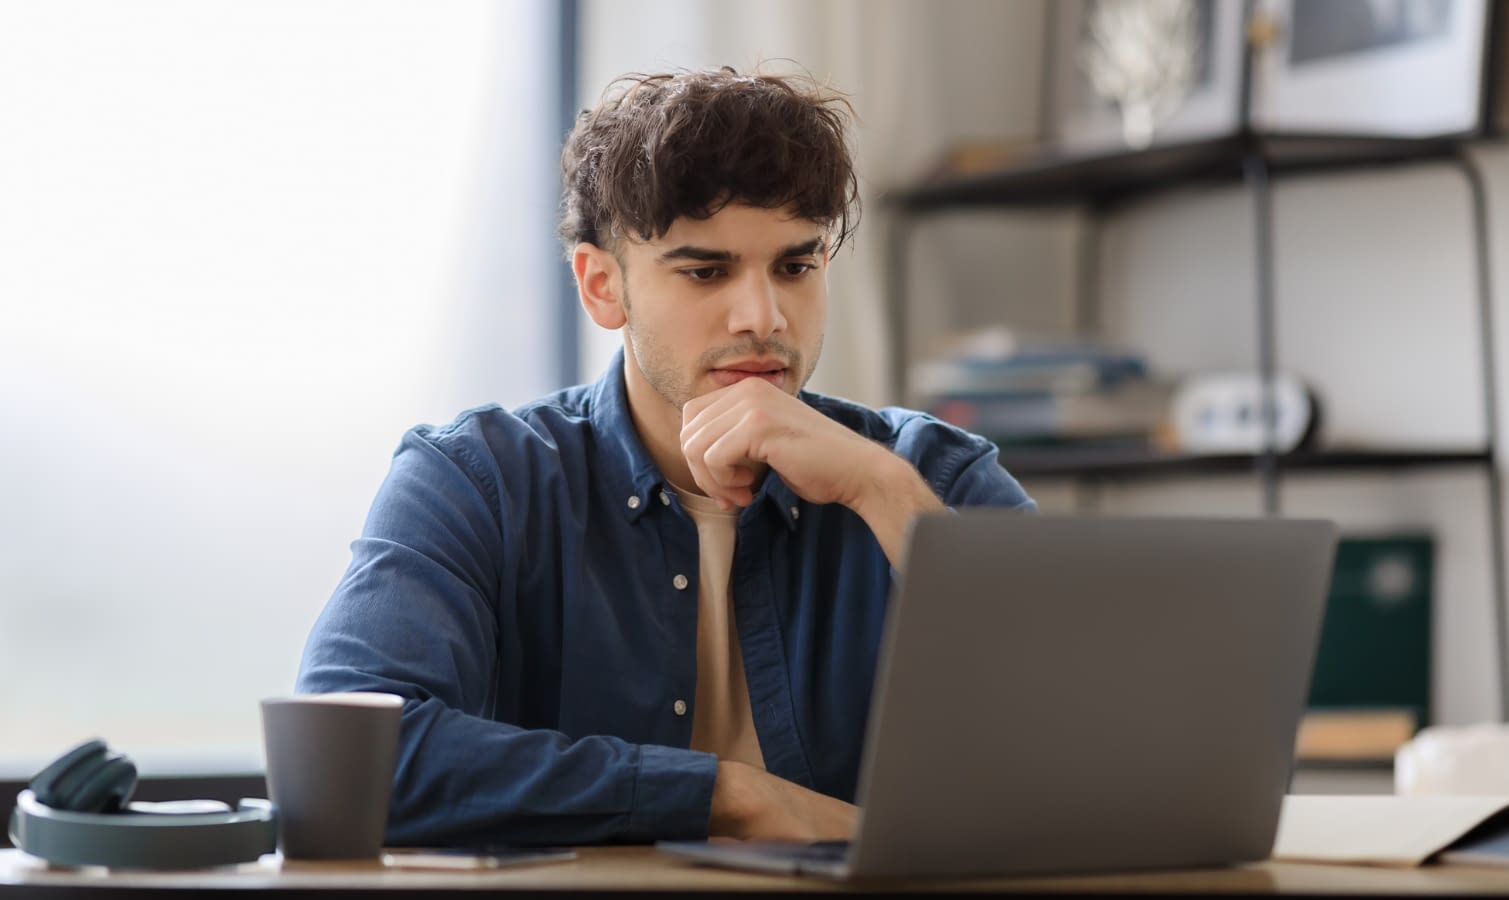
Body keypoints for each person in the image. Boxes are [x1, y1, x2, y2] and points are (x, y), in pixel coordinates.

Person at [295, 66, 1034, 848]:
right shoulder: (479, 483)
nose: (764, 315)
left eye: (796, 265)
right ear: (602, 286)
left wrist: (883, 493)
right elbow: (348, 758)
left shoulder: (929, 473)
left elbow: (1091, 734)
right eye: (705, 271)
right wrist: (728, 798)